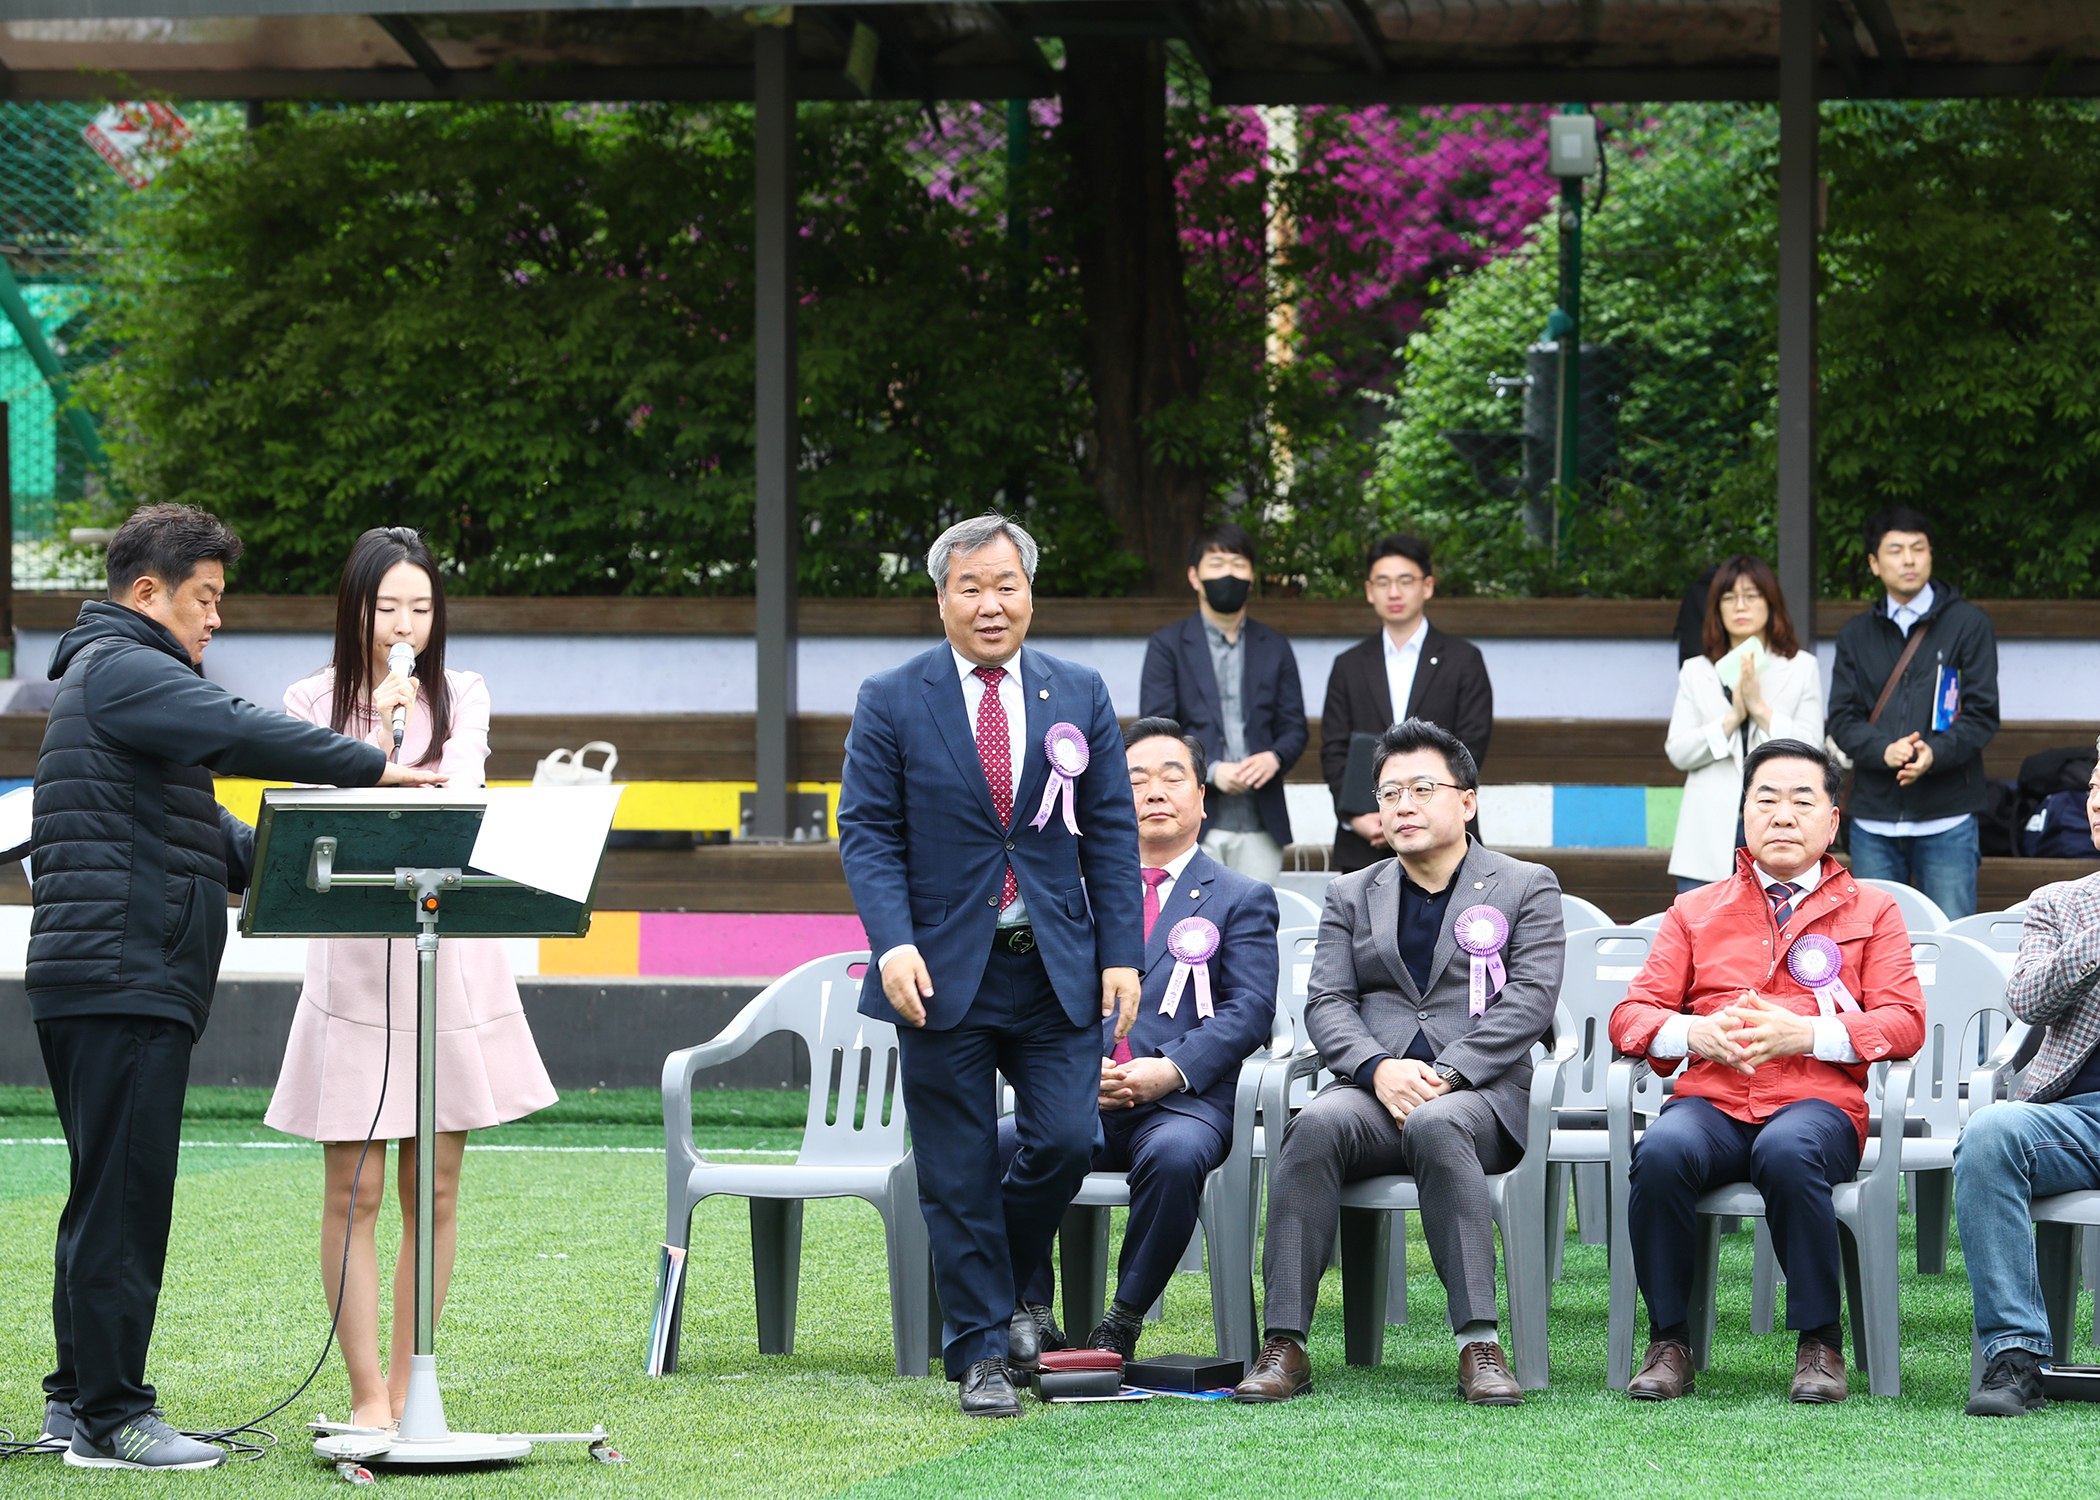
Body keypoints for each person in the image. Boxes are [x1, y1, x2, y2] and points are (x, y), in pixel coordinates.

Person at [29, 505, 442, 1472]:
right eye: (205, 598)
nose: (217, 618)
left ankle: (72, 1401)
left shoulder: (126, 692)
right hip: (124, 975)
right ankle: (113, 1418)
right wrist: (373, 770)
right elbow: (239, 732)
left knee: (104, 1197)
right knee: (126, 1200)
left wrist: (337, 859)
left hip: (111, 973)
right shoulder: (129, 668)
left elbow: (224, 842)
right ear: (147, 593)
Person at [837, 514, 1143, 1418]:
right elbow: (867, 832)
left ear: (1030, 593)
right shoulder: (893, 697)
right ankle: (979, 1349)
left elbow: (1114, 831)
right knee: (957, 1165)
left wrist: (1122, 951)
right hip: (938, 970)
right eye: (970, 587)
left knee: (1061, 1140)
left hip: (1056, 966)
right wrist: (892, 943)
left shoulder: (1077, 691)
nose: (990, 604)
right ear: (940, 600)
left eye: (1006, 584)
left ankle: (1001, 1286)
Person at [263, 527, 556, 1433]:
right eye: (387, 606)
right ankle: (363, 1398)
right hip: (354, 953)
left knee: (435, 1183)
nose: (404, 624)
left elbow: (460, 789)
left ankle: (405, 1387)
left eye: (420, 608)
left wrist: (412, 770)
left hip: (445, 946)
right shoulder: (307, 697)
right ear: (355, 607)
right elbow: (320, 808)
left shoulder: (464, 691)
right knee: (353, 1184)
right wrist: (372, 739)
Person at [1233, 718, 1562, 1407]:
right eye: (1389, 794)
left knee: (1439, 1125)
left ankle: (1478, 1342)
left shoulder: (1526, 884)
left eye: (1421, 789)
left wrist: (1447, 1074)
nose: (1403, 806)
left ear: (1466, 800)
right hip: (1375, 1092)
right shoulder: (1353, 891)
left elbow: (1531, 1001)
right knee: (1314, 1124)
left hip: (1479, 1097)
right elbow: (1325, 1001)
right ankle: (1285, 1343)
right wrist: (1379, 1068)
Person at [1610, 739, 1925, 1405]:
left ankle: (1819, 1342)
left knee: (1787, 1150)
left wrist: (1806, 1033)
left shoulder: (1873, 911)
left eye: (1802, 800)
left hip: (1818, 1107)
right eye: (1767, 799)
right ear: (1744, 812)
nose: (1783, 814)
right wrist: (1694, 1032)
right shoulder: (1695, 911)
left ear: (1832, 821)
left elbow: (1904, 1022)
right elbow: (1631, 1014)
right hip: (1713, 1103)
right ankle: (1669, 1340)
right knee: (1661, 1150)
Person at [1001, 717, 1278, 1360]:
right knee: (998, 1145)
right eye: (1134, 779)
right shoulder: (1073, 896)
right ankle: (1030, 1312)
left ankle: (1122, 1321)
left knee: (1177, 1156)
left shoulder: (1241, 897)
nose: (1154, 791)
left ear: (1202, 798)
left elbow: (1250, 1010)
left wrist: (1170, 1071)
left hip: (1183, 1103)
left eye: (1172, 776)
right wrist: (1067, 1076)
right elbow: (1031, 1002)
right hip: (1076, 1098)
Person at [1956, 748, 2100, 1417]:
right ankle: (2015, 1358)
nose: (2097, 802)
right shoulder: (2060, 904)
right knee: (1990, 1131)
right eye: (2095, 789)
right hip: (2077, 1117)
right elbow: (2028, 999)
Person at [1826, 506, 2000, 919]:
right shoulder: (1855, 634)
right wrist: (1883, 750)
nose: (1908, 559)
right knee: (1872, 944)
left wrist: (1934, 754)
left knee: (1953, 938)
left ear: (1930, 555)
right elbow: (1842, 718)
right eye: (1896, 550)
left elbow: (1982, 714)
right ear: (1873, 562)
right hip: (1875, 821)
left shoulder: (1968, 624)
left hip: (1948, 817)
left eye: (1918, 548)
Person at [1138, 523, 1307, 883]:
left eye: (1237, 563)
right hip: (1191, 821)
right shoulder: (1167, 645)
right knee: (1186, 934)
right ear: (1194, 576)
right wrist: (1210, 770)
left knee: (1257, 931)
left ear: (1251, 577)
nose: (1227, 573)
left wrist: (1274, 757)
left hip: (1262, 823)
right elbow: (1157, 730)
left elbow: (1294, 727)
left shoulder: (1275, 646)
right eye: (1216, 563)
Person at [1320, 535, 1491, 873]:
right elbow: (1333, 748)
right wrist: (1359, 816)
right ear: (1370, 590)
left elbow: (1470, 747)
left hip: (1445, 837)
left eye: (1405, 581)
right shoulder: (1349, 665)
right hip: (1365, 841)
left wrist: (1420, 809)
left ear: (1427, 586)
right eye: (1383, 582)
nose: (1394, 592)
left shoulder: (1463, 660)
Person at [1665, 556, 1824, 892]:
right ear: (1716, 608)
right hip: (1707, 835)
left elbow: (1814, 750)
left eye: (1752, 596)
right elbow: (1678, 751)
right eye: (1729, 597)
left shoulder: (1800, 667)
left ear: (1771, 603)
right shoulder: (1697, 670)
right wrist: (1731, 719)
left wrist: (1760, 710)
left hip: (1778, 830)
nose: (1741, 606)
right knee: (1702, 936)